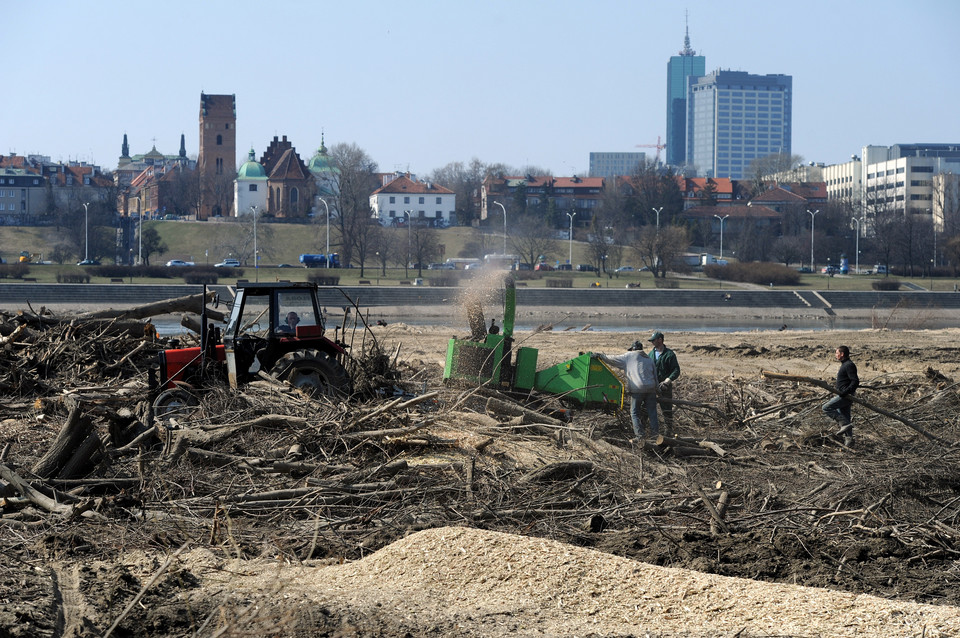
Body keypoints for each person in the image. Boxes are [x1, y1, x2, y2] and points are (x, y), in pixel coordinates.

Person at [593, 340, 659, 441]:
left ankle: (640, 436)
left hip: (638, 389)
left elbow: (613, 359)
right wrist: (658, 389)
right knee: (652, 413)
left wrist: (600, 356)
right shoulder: (649, 359)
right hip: (651, 388)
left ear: (633, 349)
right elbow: (655, 376)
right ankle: (655, 436)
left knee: (634, 413)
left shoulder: (629, 356)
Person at [823, 345, 859, 447]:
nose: (835, 355)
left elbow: (855, 381)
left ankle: (844, 424)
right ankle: (849, 442)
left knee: (826, 408)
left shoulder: (849, 365)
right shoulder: (845, 364)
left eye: (837, 353)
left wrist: (846, 392)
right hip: (844, 395)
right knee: (846, 417)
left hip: (845, 396)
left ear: (842, 354)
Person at [649, 331, 681, 435]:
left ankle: (668, 432)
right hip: (651, 386)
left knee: (666, 410)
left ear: (660, 340)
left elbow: (676, 370)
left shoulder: (669, 354)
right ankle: (650, 431)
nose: (652, 342)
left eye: (654, 340)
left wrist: (667, 381)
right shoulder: (650, 354)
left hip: (665, 387)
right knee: (647, 408)